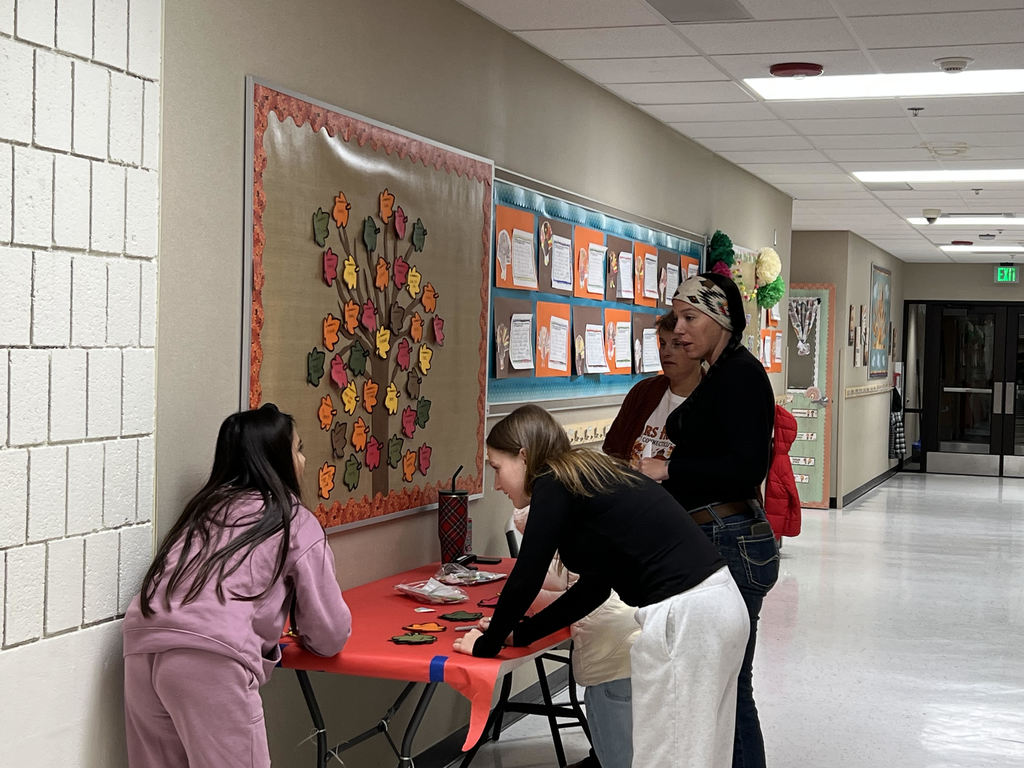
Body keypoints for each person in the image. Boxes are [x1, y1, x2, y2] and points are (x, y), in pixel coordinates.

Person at [452, 404, 750, 767]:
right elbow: (594, 588)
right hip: (720, 604)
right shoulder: (588, 479)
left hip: (687, 617)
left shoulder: (553, 482)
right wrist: (523, 633)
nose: (496, 484)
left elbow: (526, 574)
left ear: (524, 455)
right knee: (701, 754)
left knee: (667, 757)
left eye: (497, 469)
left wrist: (487, 643)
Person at [122, 403, 352, 768]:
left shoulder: (201, 511)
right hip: (211, 656)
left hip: (143, 645)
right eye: (299, 449)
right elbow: (329, 634)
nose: (304, 460)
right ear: (278, 459)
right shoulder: (293, 520)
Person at [645, 272, 780, 768]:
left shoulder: (740, 375)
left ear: (720, 320)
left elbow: (747, 466)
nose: (677, 330)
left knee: (730, 686)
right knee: (725, 685)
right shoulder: (719, 373)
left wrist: (669, 468)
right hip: (719, 536)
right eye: (676, 317)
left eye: (689, 317)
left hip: (732, 540)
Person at [509, 505, 640, 768]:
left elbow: (577, 598)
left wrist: (516, 616)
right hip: (629, 648)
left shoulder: (577, 542)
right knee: (622, 741)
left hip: (610, 656)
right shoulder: (600, 526)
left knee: (618, 752)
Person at [603, 309, 703, 470]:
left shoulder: (713, 396)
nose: (666, 352)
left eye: (677, 344)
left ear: (698, 349)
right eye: (662, 343)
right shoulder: (644, 391)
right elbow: (613, 449)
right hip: (636, 490)